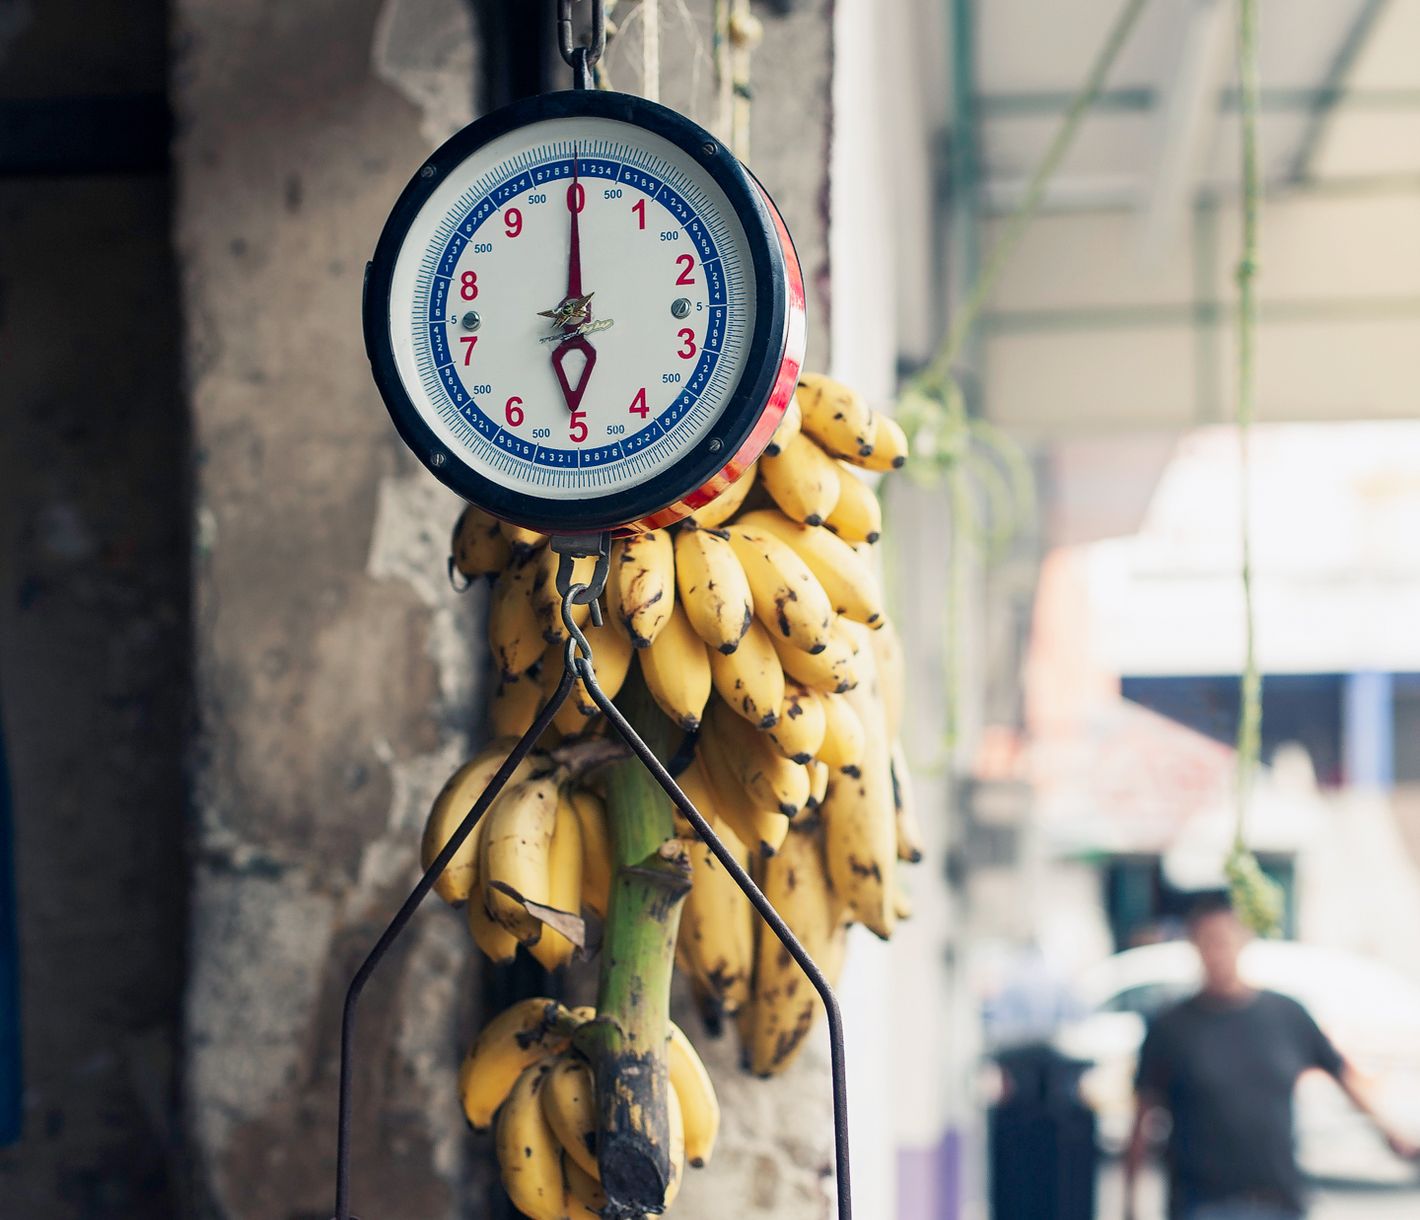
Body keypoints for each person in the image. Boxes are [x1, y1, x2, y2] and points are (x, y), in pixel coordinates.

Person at [1123, 894, 1419, 1220]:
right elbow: (1142, 1115)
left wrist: (1391, 1132)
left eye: (1224, 940)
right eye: (1208, 942)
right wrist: (1130, 1203)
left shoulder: (1286, 1014)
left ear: (1243, 940)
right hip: (1202, 1204)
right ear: (1194, 946)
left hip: (1279, 1200)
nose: (1218, 953)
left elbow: (1342, 1075)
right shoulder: (1171, 1027)